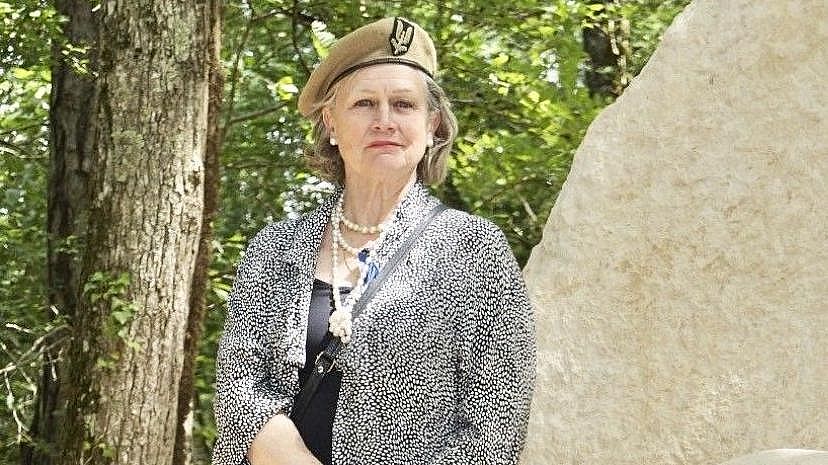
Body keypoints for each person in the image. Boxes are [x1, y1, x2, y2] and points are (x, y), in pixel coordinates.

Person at [212, 16, 535, 465]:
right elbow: (240, 390)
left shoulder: (475, 249)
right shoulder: (274, 249)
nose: (384, 120)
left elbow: (495, 425)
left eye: (403, 105)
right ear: (331, 123)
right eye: (364, 104)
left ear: (432, 127)